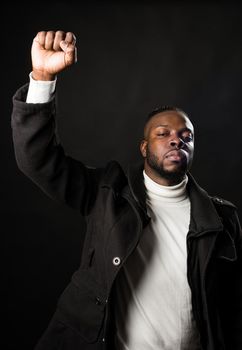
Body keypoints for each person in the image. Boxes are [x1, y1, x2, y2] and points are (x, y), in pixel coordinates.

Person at [11, 30, 242, 350]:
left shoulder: (222, 219)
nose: (177, 139)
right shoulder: (107, 193)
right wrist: (42, 77)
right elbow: (38, 161)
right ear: (144, 147)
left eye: (186, 135)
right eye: (164, 134)